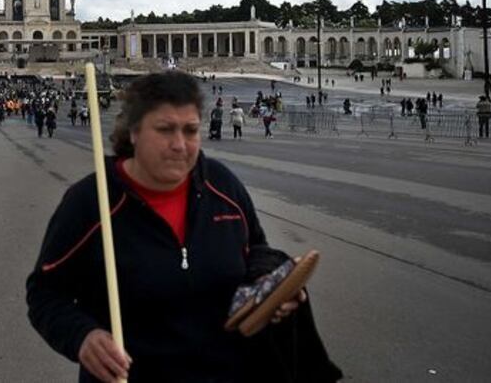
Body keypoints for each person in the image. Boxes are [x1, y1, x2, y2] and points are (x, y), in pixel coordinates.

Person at [27, 72, 309, 382]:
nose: (180, 144)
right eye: (165, 130)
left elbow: (256, 250)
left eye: (191, 130)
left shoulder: (222, 185)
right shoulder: (91, 201)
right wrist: (82, 336)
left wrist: (269, 286)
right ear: (134, 131)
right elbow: (45, 293)